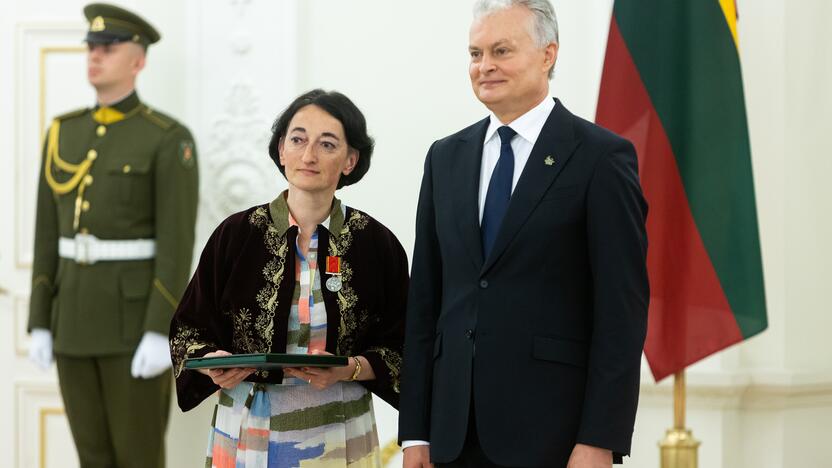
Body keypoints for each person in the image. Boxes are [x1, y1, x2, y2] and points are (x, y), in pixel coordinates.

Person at [398, 0, 649, 466]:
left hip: (553, 434)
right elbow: (426, 303)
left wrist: (600, 437)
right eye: (475, 54)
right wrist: (414, 432)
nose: (484, 66)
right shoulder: (444, 158)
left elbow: (622, 313)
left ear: (548, 54)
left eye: (501, 51)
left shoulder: (601, 158)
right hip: (451, 435)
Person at [169, 89, 408, 467]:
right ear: (281, 150)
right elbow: (188, 329)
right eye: (297, 139)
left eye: (327, 144)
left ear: (350, 160)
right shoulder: (236, 235)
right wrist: (211, 362)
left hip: (340, 425)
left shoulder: (375, 244)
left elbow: (404, 342)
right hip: (248, 422)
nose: (309, 155)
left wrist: (353, 368)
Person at [26, 3, 199, 467]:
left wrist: (158, 330)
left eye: (108, 47)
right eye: (91, 47)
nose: (94, 55)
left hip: (132, 328)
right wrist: (40, 318)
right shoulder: (63, 132)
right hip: (72, 324)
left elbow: (177, 242)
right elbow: (46, 233)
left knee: (138, 456)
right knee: (92, 457)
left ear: (138, 60)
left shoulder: (167, 138)